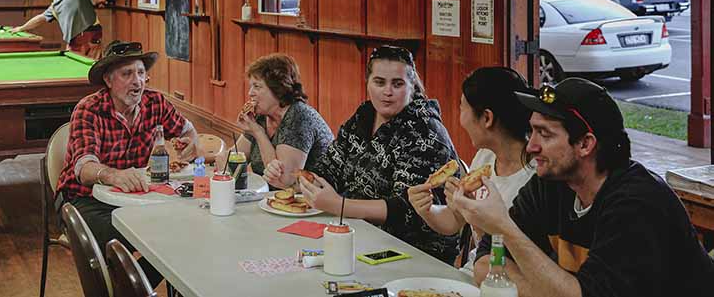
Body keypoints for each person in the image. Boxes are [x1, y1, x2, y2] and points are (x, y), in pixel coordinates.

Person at [452, 77, 714, 295]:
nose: (531, 146)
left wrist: (505, 228)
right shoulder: (552, 184)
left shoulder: (637, 204)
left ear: (586, 144)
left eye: (545, 134)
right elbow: (484, 263)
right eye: (532, 131)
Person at [54, 40, 202, 288]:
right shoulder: (89, 110)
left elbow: (188, 131)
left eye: (141, 73)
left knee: (183, 233)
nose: (138, 81)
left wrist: (189, 145)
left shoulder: (155, 103)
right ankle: (127, 288)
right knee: (150, 237)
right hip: (84, 201)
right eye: (127, 74)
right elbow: (83, 167)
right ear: (109, 81)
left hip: (136, 201)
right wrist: (114, 175)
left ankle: (128, 290)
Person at [300, 45, 461, 263]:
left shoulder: (425, 131)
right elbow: (327, 170)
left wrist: (338, 205)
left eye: (397, 84)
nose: (387, 92)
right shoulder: (363, 117)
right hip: (356, 232)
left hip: (412, 251)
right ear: (367, 83)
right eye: (379, 82)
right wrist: (297, 179)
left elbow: (407, 209)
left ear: (412, 87)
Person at [407, 67, 536, 273]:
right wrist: (428, 209)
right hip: (472, 271)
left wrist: (477, 220)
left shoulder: (535, 179)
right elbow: (454, 221)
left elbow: (524, 259)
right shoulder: (486, 156)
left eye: (461, 107)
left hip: (502, 279)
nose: (461, 119)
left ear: (487, 118)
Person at [215, 53, 334, 189]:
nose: (250, 93)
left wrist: (258, 133)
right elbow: (236, 156)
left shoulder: (299, 117)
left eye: (257, 86)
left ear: (278, 89)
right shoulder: (261, 116)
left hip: (308, 202)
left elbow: (283, 180)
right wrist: (224, 158)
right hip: (270, 198)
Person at [12, 0, 105, 55]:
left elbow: (39, 19)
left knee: (74, 65)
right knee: (95, 64)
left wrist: (21, 28)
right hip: (95, 32)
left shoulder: (55, 5)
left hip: (79, 38)